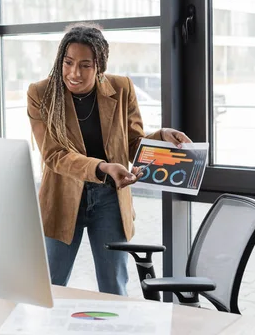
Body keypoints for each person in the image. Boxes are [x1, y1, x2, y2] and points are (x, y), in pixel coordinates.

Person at [27, 23, 192, 296]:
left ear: (99, 66)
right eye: (68, 62)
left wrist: (162, 136)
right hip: (62, 197)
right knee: (51, 286)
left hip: (109, 198)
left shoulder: (121, 87)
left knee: (114, 286)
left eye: (85, 65)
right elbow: (54, 155)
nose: (73, 73)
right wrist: (102, 167)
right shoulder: (41, 93)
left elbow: (133, 144)